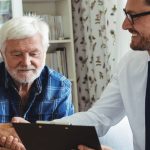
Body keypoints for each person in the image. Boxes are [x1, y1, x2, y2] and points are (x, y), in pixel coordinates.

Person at [46, 0, 150, 149]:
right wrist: (38, 130)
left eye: (134, 16)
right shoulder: (130, 64)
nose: (124, 25)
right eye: (126, 15)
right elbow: (100, 116)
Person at [0, 16, 74, 149]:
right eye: (17, 54)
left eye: (34, 54)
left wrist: (31, 135)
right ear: (2, 54)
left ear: (45, 52)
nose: (26, 63)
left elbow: (66, 139)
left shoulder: (60, 86)